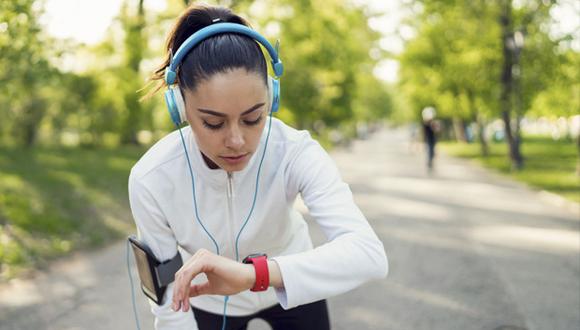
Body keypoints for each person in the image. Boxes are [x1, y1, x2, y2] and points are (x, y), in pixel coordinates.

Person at [129, 4, 388, 330]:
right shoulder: (151, 178)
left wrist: (256, 275)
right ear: (179, 107)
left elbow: (368, 254)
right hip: (206, 299)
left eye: (253, 118)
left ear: (272, 97)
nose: (237, 140)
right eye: (212, 123)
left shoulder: (295, 151)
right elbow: (167, 298)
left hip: (290, 288)